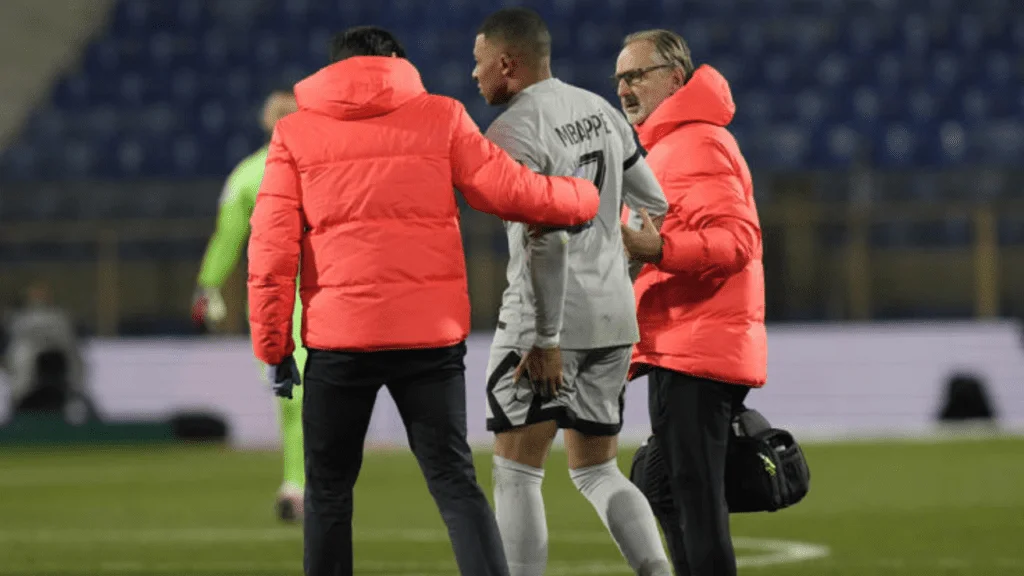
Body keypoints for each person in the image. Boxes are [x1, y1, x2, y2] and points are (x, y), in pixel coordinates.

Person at [246, 26, 600, 576]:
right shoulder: (442, 116)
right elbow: (508, 191)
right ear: (395, 61)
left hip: (339, 343)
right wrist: (584, 196)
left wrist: (274, 346)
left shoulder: (294, 134)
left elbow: (270, 251)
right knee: (455, 483)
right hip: (429, 339)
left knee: (329, 493)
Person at [472, 9, 672, 576]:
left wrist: (545, 337)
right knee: (596, 470)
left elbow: (546, 240)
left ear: (507, 63)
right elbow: (653, 199)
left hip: (546, 325)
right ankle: (658, 571)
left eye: (479, 60)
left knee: (516, 472)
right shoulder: (599, 108)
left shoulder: (511, 131)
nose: (474, 74)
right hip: (614, 318)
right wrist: (619, 252)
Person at [615, 30, 768, 576]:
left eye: (636, 75)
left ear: (675, 77)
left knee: (695, 502)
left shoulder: (698, 142)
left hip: (698, 347)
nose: (624, 88)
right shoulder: (664, 147)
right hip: (678, 344)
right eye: (619, 79)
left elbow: (737, 242)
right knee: (662, 482)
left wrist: (659, 247)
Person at [190, 90, 304, 523]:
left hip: (321, 296)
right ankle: (301, 483)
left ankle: (301, 484)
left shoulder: (322, 168)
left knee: (303, 397)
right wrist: (209, 285)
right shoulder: (248, 176)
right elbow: (228, 238)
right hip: (274, 303)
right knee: (292, 398)